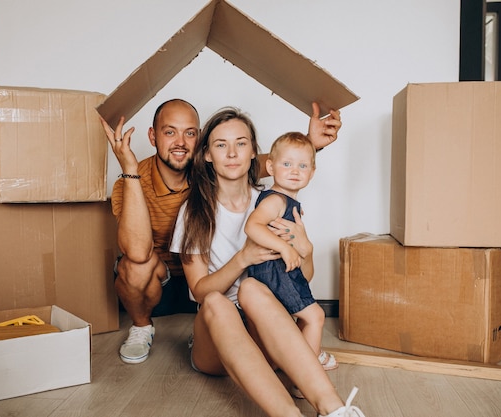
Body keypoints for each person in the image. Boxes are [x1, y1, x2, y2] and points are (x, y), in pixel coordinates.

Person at [100, 99, 342, 365]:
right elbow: (140, 253)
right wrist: (130, 171)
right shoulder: (166, 193)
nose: (180, 142)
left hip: (233, 291)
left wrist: (309, 143)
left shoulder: (263, 198)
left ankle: (283, 354)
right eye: (170, 132)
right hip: (175, 282)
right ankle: (144, 327)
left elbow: (264, 163)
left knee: (255, 297)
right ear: (153, 136)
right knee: (138, 267)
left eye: (190, 133)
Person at [170, 107, 364, 417]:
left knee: (251, 289)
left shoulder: (272, 199)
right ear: (207, 154)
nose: (232, 153)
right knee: (219, 302)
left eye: (241, 143)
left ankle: (334, 409)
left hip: (264, 330)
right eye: (221, 145)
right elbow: (199, 292)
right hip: (215, 338)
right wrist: (243, 258)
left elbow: (302, 280)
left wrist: (307, 249)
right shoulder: (194, 212)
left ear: (253, 153)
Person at [244, 131, 338, 382]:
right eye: (287, 164)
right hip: (272, 270)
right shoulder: (275, 200)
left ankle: (303, 359)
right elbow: (252, 227)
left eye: (303, 165)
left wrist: (297, 248)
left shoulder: (287, 201)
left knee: (300, 319)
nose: (295, 170)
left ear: (312, 172)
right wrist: (284, 248)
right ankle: (306, 376)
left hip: (278, 270)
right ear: (271, 167)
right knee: (315, 316)